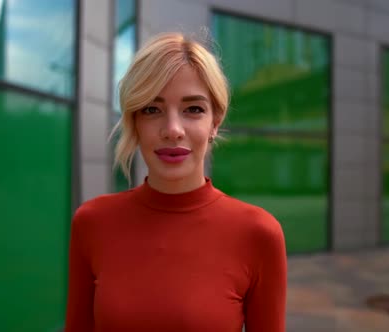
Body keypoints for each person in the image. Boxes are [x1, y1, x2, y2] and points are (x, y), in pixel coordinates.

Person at [65, 32, 286, 332]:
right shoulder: (92, 222)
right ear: (135, 122)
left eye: (193, 109)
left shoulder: (259, 233)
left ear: (215, 122)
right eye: (152, 109)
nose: (172, 130)